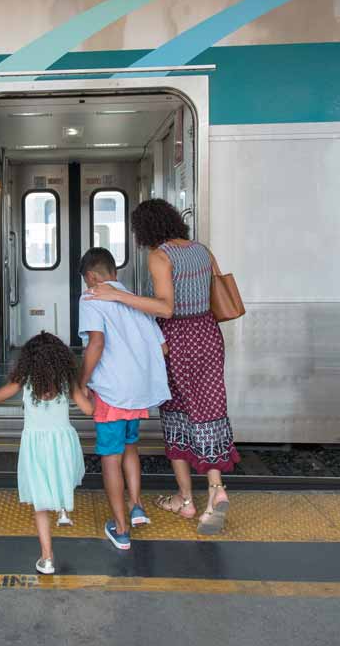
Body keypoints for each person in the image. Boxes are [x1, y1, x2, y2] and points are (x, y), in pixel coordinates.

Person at [87, 200, 240, 535]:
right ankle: (214, 489)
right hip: (208, 335)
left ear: (146, 230)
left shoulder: (160, 256)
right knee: (208, 410)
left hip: (180, 340)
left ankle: (187, 499)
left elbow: (166, 308)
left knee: (177, 415)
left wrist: (119, 297)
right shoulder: (203, 250)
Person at [78, 248, 171, 550]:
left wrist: (82, 382)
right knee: (131, 447)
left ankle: (120, 529)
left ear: (91, 278)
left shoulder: (92, 297)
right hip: (138, 393)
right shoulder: (135, 300)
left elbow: (96, 343)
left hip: (112, 393)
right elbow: (163, 348)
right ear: (114, 273)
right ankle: (136, 506)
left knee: (110, 459)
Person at [0, 332, 92, 575]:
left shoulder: (24, 380)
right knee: (61, 474)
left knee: (40, 502)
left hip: (35, 445)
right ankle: (63, 508)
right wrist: (89, 393)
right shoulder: (67, 381)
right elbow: (89, 409)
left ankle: (47, 558)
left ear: (28, 360)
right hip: (62, 441)